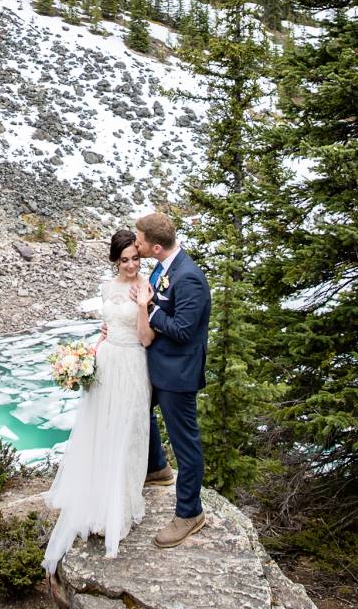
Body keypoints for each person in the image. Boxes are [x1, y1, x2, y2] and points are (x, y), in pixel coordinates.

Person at [42, 228, 154, 575]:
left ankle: (119, 506)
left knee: (128, 432)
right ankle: (96, 502)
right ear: (115, 261)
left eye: (135, 258)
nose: (132, 265)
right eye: (125, 260)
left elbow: (147, 338)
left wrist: (142, 306)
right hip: (106, 361)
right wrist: (96, 344)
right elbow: (107, 323)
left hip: (133, 362)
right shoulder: (106, 287)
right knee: (101, 431)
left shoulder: (147, 285)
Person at [132, 211, 211, 548]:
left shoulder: (190, 278)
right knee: (138, 411)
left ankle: (190, 513)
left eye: (140, 242)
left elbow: (182, 330)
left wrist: (148, 309)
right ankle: (157, 467)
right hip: (155, 364)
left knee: (186, 444)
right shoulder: (164, 266)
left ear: (157, 247)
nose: (137, 246)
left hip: (177, 374)